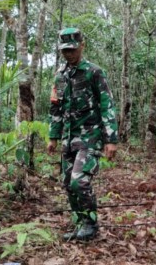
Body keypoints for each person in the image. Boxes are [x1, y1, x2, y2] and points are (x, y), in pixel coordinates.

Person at [47, 27, 118, 241]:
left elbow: (107, 104)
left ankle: (90, 223)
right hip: (69, 138)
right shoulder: (60, 76)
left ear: (82, 46)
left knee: (80, 181)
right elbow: (56, 108)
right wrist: (53, 137)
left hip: (90, 136)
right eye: (65, 50)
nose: (69, 54)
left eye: (72, 49)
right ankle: (80, 224)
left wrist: (111, 139)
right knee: (68, 183)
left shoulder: (94, 72)